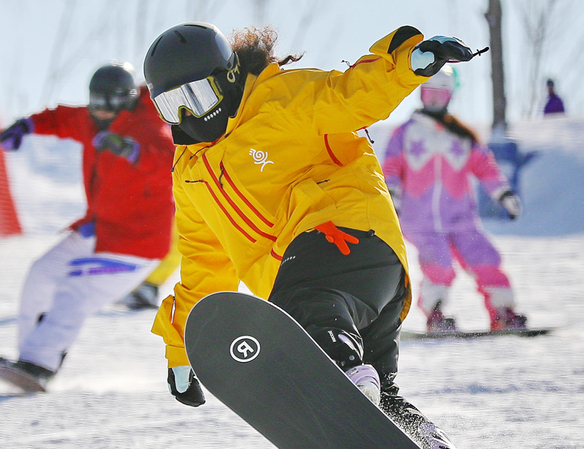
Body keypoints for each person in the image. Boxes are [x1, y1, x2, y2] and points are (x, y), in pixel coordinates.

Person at [144, 22, 479, 448]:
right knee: (381, 395)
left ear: (227, 78)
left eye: (196, 97)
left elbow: (353, 94)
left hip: (349, 245)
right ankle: (417, 435)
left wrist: (407, 65)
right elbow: (204, 267)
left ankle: (336, 371)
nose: (188, 116)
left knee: (305, 313)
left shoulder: (282, 98)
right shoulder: (190, 174)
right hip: (333, 293)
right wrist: (184, 348)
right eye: (172, 107)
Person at [0, 62, 175, 391]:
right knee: (41, 274)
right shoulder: (93, 121)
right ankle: (31, 354)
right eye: (95, 103)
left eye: (107, 105)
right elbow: (62, 118)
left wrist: (130, 150)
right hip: (99, 228)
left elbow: (167, 160)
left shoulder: (149, 126)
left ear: (126, 100)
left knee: (74, 291)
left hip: (136, 243)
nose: (100, 112)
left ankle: (39, 364)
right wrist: (26, 125)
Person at [382, 65, 526, 334]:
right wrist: (392, 195)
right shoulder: (406, 134)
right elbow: (390, 167)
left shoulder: (460, 135)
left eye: (442, 93)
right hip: (419, 218)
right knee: (439, 263)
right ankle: (435, 314)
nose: (436, 99)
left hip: (461, 217)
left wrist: (503, 194)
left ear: (450, 96)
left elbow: (485, 166)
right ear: (421, 93)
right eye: (430, 93)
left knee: (485, 257)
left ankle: (503, 312)